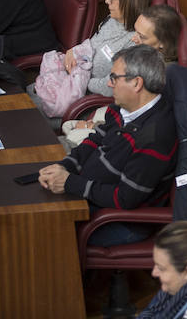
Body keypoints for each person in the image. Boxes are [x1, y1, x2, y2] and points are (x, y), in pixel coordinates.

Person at [39, 45, 178, 246]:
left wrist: (69, 183)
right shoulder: (124, 107)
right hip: (90, 197)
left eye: (114, 78)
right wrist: (65, 166)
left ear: (137, 83)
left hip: (118, 220)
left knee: (43, 235)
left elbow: (125, 198)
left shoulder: (155, 137)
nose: (108, 83)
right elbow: (94, 140)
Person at [60, 4, 181, 145]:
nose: (134, 39)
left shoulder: (157, 75)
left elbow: (135, 127)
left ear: (163, 43)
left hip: (123, 140)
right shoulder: (145, 58)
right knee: (68, 128)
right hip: (113, 124)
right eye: (135, 32)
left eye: (141, 37)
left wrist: (94, 127)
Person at [61, 0, 154, 96]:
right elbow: (93, 45)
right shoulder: (112, 18)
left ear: (130, 1)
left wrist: (81, 79)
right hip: (68, 79)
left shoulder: (135, 42)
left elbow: (110, 87)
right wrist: (75, 51)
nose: (106, 1)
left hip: (82, 96)